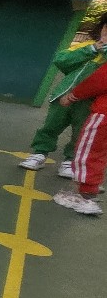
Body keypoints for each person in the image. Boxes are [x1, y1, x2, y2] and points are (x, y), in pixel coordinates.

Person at [20, 7, 107, 177]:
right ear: (101, 28)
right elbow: (61, 60)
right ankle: (39, 153)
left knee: (80, 132)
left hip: (89, 104)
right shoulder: (87, 47)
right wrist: (91, 50)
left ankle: (70, 160)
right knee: (51, 125)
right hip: (63, 96)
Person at [54, 56, 107, 216]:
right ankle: (91, 187)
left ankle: (86, 196)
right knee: (100, 153)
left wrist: (73, 95)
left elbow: (98, 81)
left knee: (88, 152)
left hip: (103, 114)